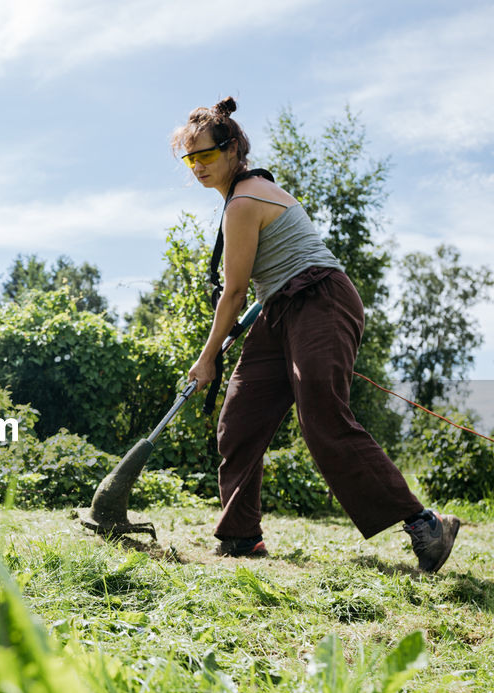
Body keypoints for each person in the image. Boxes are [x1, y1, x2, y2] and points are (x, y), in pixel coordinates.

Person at [175, 96, 460, 571]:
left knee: (322, 416)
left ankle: (425, 524)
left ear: (232, 150)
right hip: (280, 309)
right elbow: (259, 284)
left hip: (320, 299)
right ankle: (241, 537)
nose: (198, 167)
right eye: (190, 159)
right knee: (239, 421)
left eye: (206, 155)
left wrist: (208, 358)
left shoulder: (244, 199)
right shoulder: (245, 194)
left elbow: (235, 290)